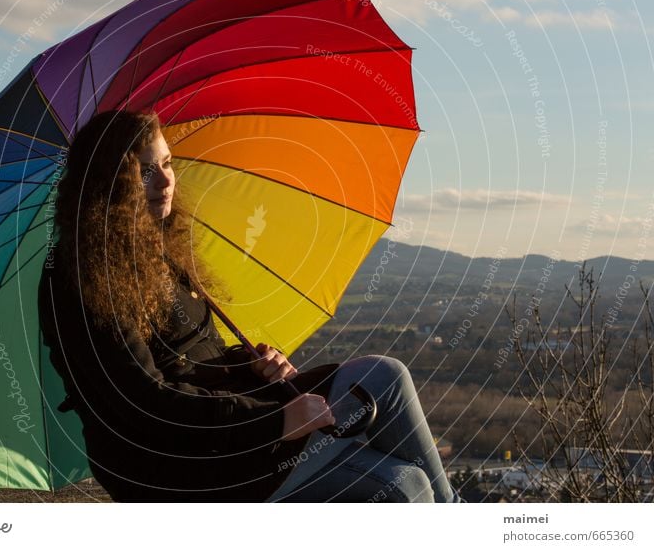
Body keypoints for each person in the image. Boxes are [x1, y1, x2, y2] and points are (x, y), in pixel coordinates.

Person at [38, 110, 460, 503]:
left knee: (385, 375)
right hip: (179, 463)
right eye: (144, 172)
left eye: (167, 164)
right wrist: (275, 422)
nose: (165, 182)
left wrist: (251, 364)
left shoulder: (156, 251)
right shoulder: (80, 279)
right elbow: (146, 404)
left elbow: (200, 357)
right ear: (107, 184)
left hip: (232, 424)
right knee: (404, 486)